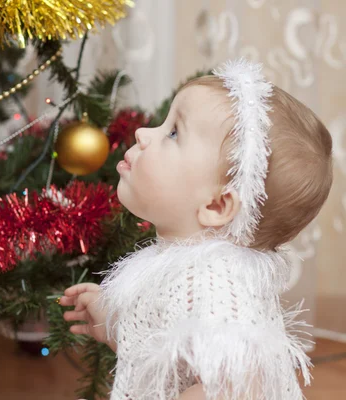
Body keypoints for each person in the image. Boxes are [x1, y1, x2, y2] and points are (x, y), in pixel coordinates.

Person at [59, 59, 333, 400]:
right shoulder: (182, 265)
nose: (143, 133)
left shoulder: (214, 283)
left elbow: (244, 381)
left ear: (216, 206)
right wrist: (116, 323)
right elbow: (167, 349)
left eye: (173, 133)